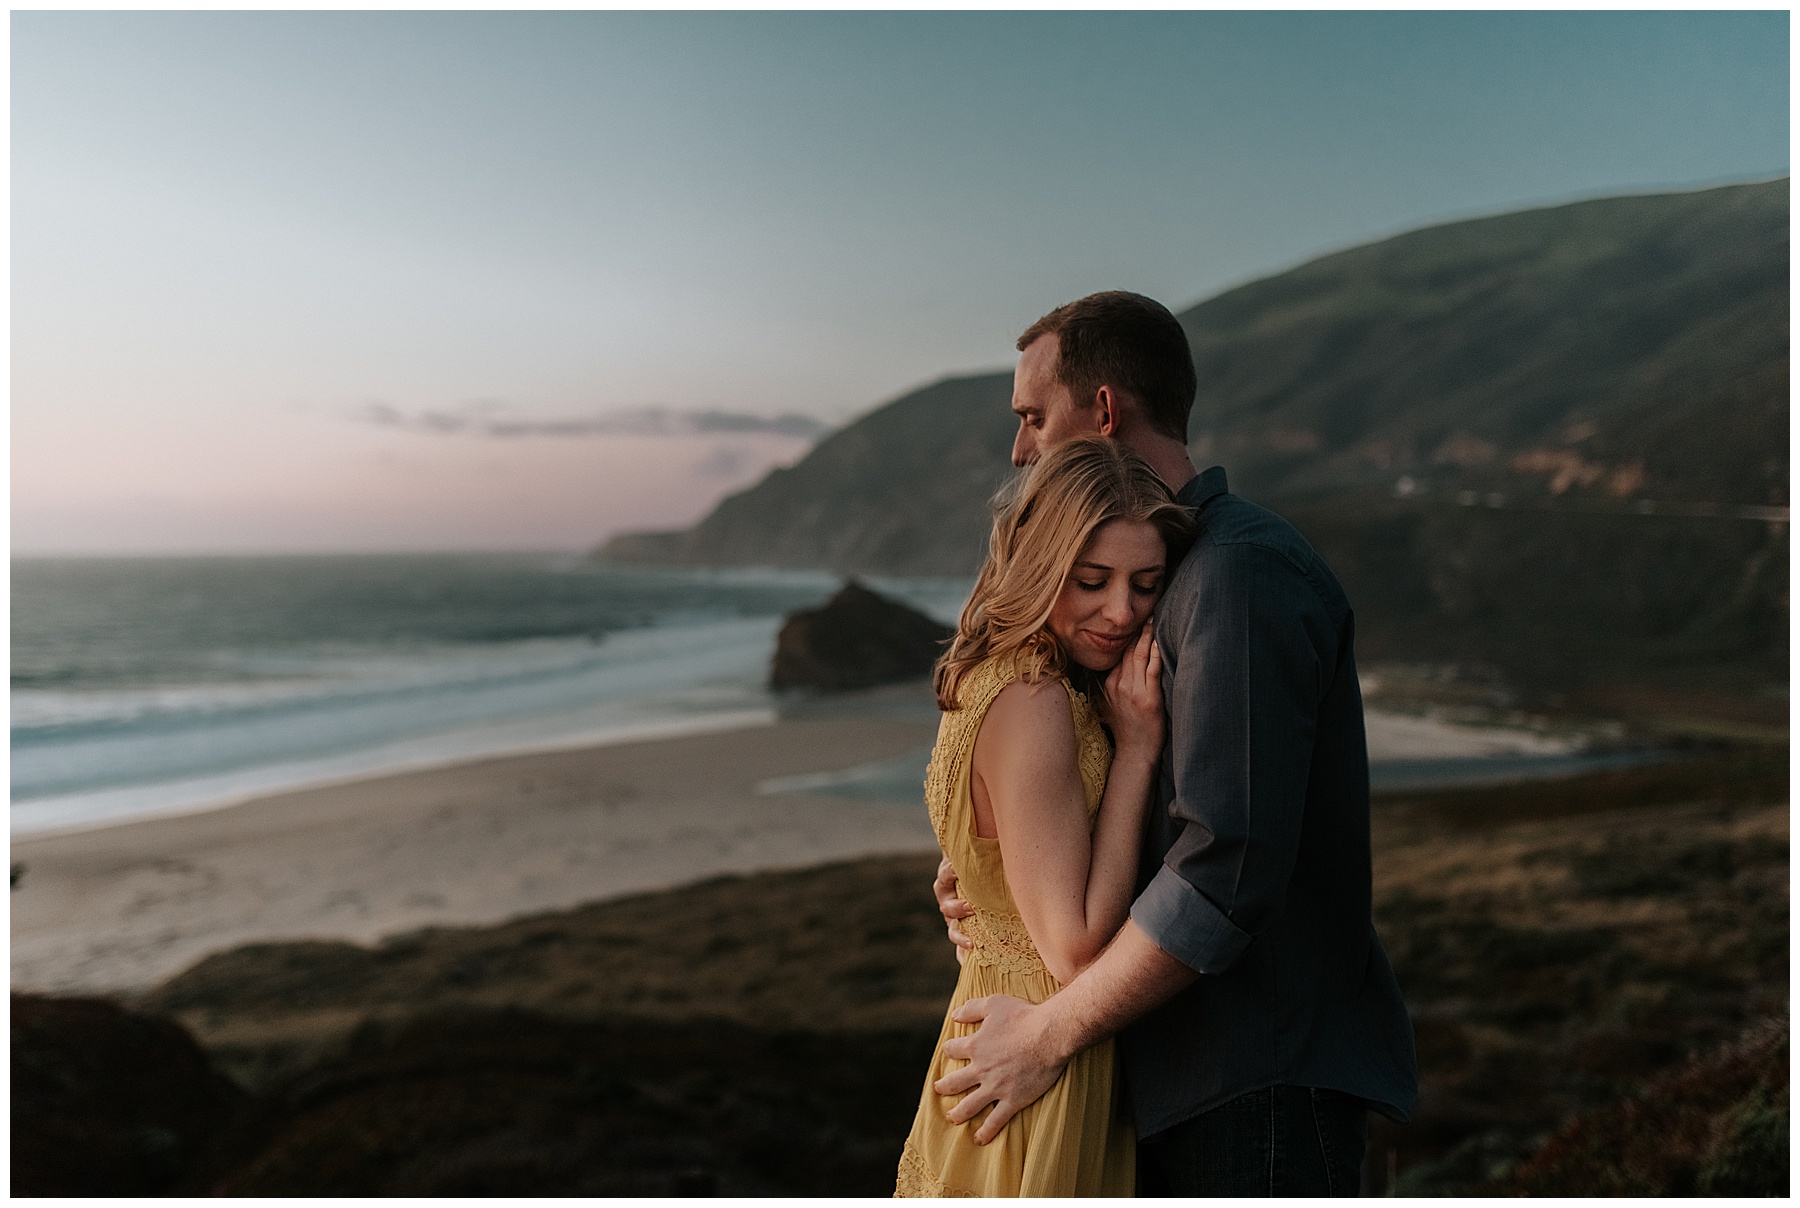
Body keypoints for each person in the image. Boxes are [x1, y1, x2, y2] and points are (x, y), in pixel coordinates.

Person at [929, 291, 1418, 1196]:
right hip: (1178, 1081)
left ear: (1104, 412)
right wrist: (992, 881)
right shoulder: (1157, 582)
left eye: (1034, 417)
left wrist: (1052, 1031)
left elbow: (1224, 870)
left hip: (1253, 1081)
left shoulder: (1235, 574)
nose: (1019, 448)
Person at [895, 436, 1197, 1197]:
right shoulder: (1033, 699)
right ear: (1038, 566)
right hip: (1030, 1051)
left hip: (1003, 1030)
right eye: (1091, 580)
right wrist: (1135, 751)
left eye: (1147, 584)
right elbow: (1075, 951)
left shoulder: (1011, 675)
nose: (1122, 611)